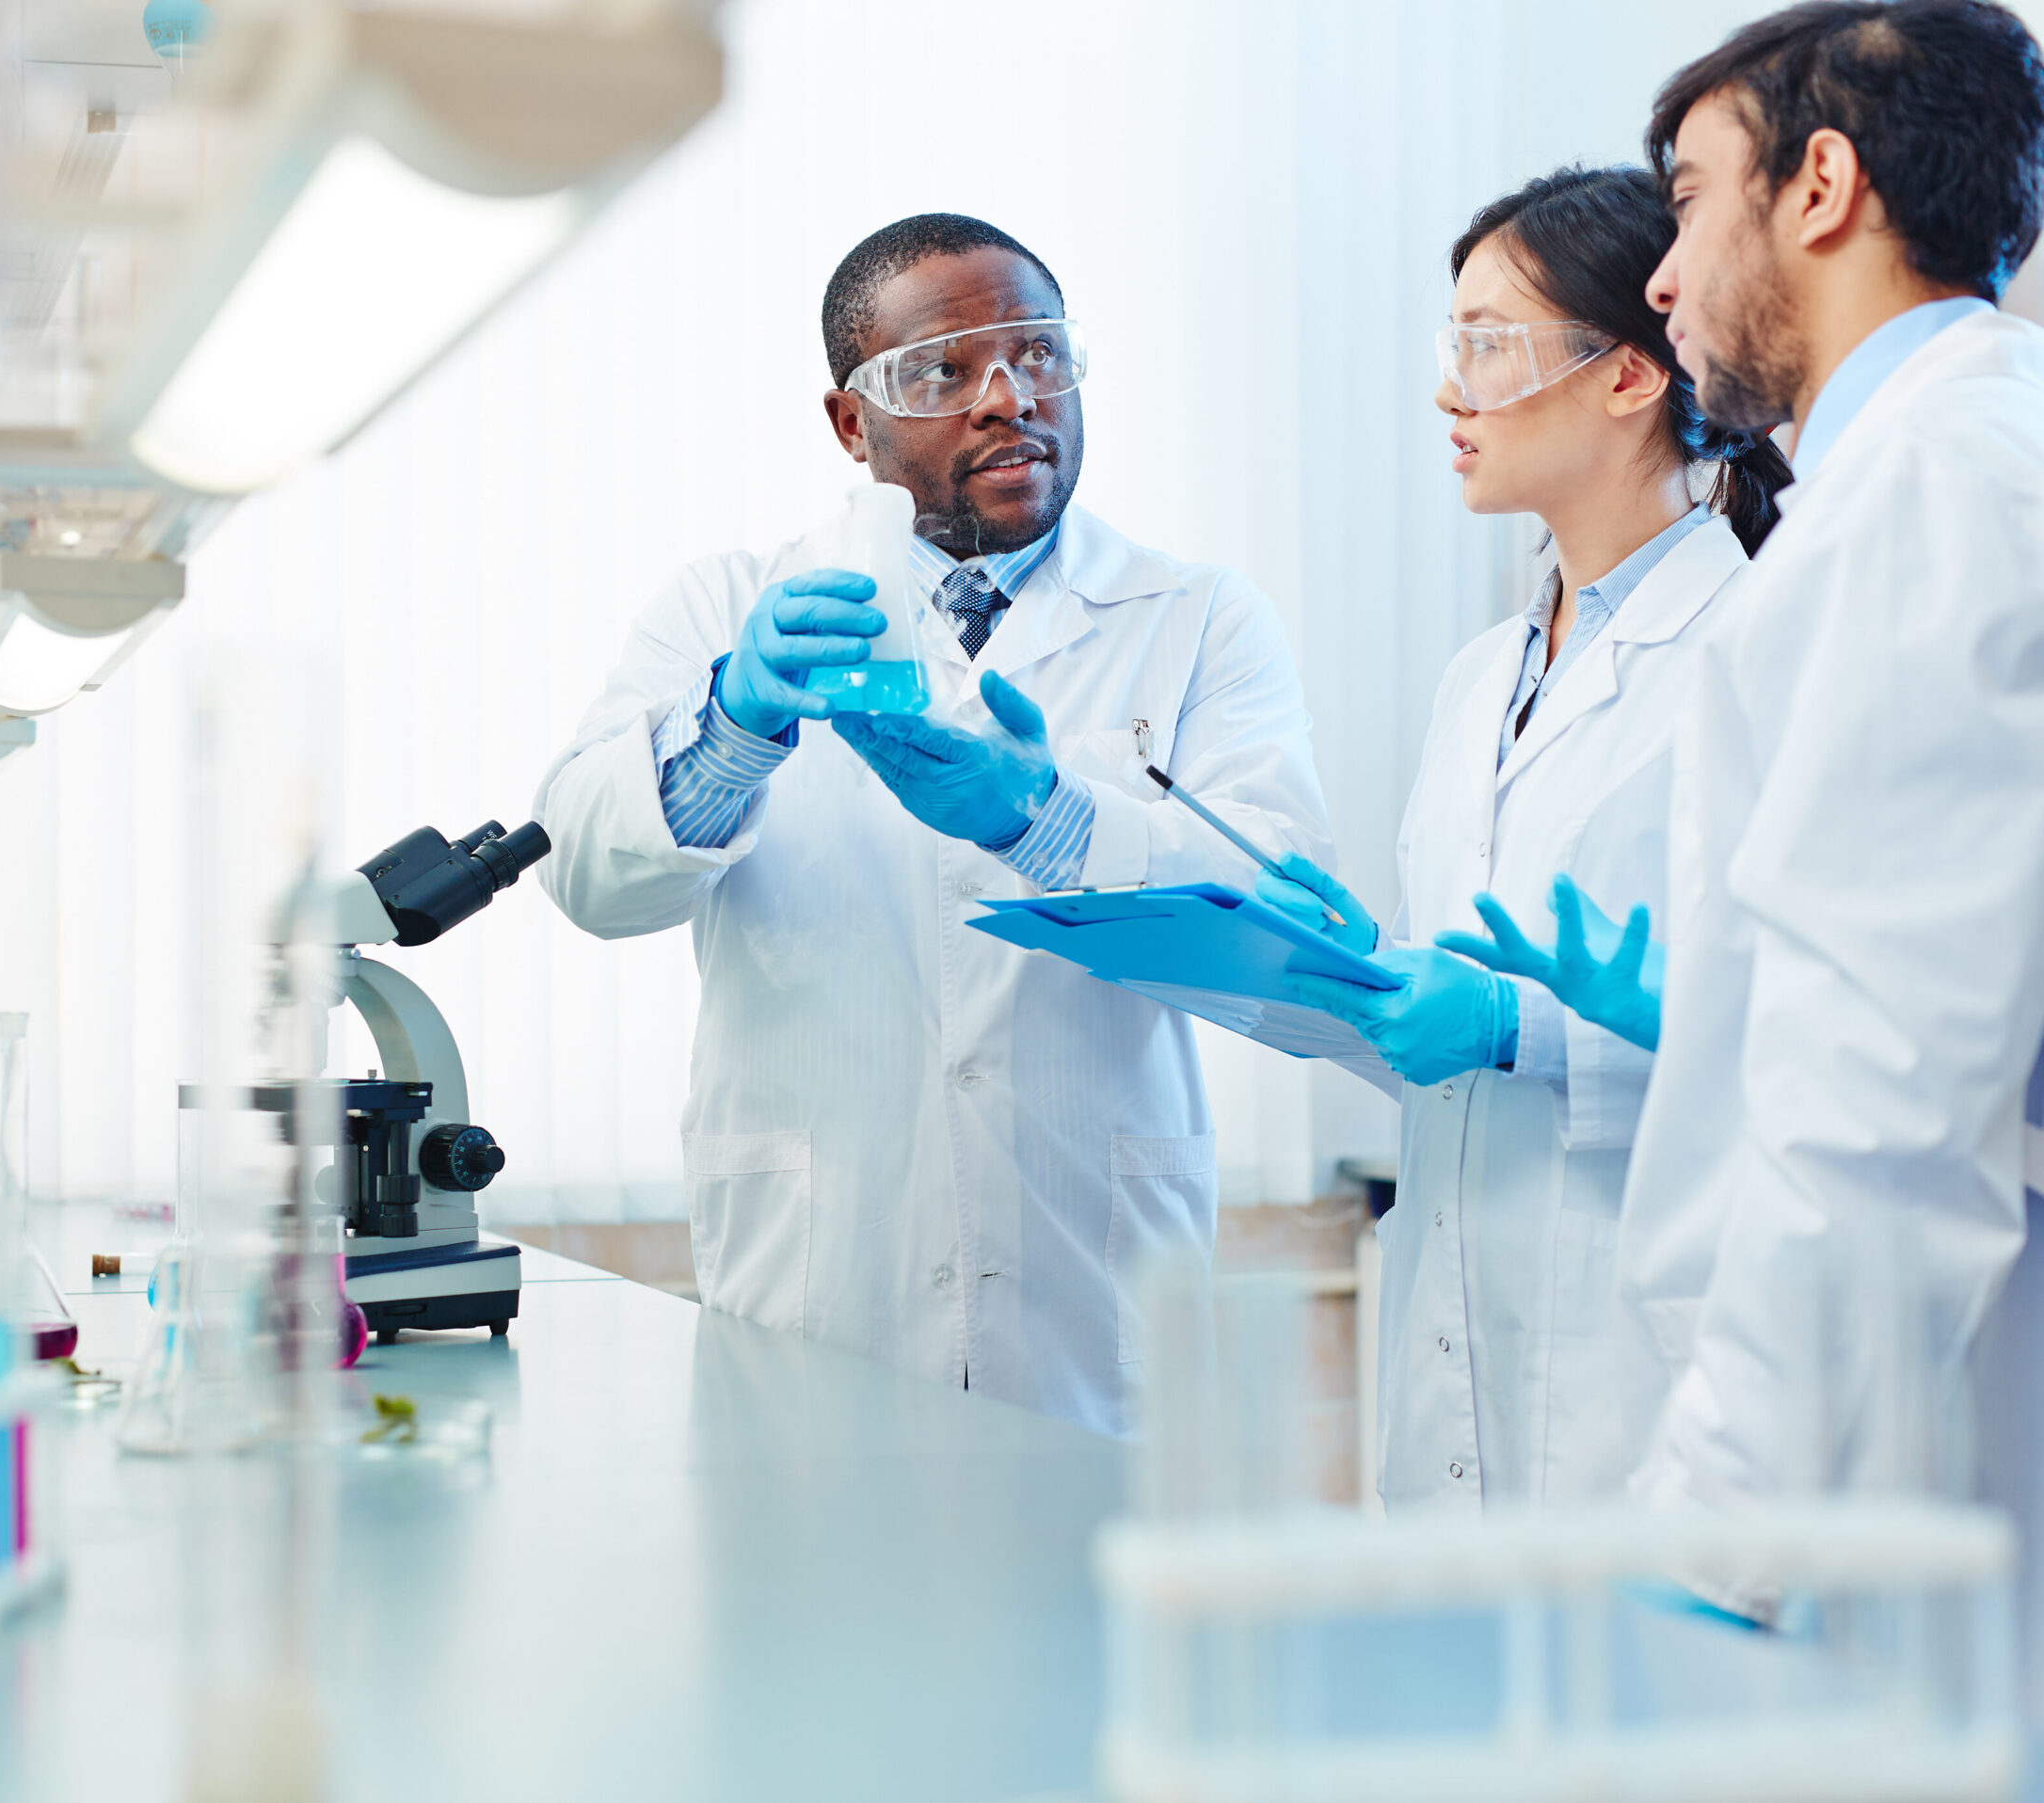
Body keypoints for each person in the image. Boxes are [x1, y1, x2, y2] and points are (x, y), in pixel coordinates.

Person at [534, 214, 1331, 1434]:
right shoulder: (728, 609)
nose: (1007, 399)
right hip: (821, 1297)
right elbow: (591, 877)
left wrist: (1046, 821)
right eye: (941, 372)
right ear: (852, 423)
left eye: (1038, 355)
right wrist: (735, 728)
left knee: (1082, 1611)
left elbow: (1291, 945)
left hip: (1091, 1309)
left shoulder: (1200, 621)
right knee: (827, 1607)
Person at [1458, 0, 2044, 1623]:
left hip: (1871, 1478)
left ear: (1821, 187)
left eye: (1693, 194)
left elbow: (1878, 1090)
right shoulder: (1939, 466)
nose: (1660, 267)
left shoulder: (1937, 485)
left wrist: (1724, 1540)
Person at [1244, 167, 1790, 1513]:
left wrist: (1523, 1031)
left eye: (1487, 347)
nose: (1451, 393)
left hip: (1645, 1365)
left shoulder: (1764, 648)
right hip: (1451, 1337)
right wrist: (1355, 975)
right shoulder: (1482, 676)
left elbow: (1805, 1035)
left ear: (1629, 375)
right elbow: (1462, 1016)